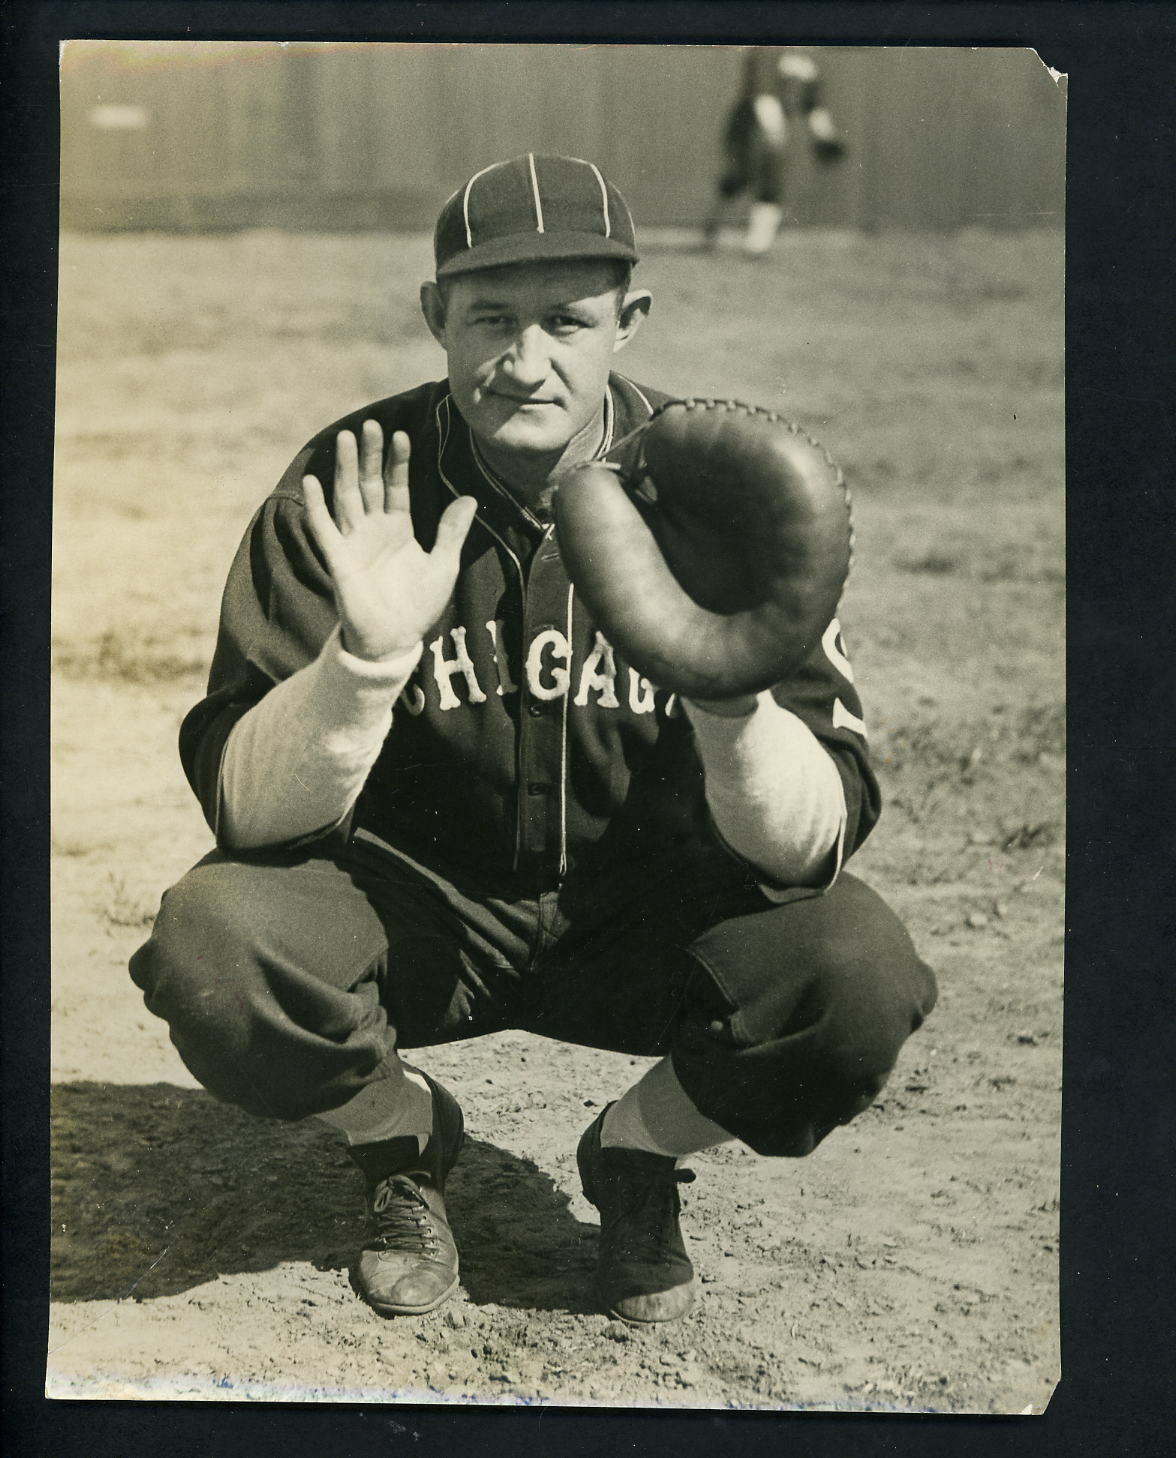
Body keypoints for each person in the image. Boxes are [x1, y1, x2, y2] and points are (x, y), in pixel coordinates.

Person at [130, 153, 935, 1327]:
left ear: (629, 322)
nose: (524, 360)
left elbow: (807, 854)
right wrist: (360, 663)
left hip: (646, 918)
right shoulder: (355, 483)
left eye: (567, 320)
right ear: (435, 319)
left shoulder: (719, 491)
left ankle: (638, 1153)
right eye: (490, 318)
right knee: (216, 948)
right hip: (422, 918)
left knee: (854, 977)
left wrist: (729, 696)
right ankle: (401, 1140)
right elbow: (248, 818)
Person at [703, 46, 848, 257]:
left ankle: (758, 242)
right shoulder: (768, 50)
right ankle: (714, 222)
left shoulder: (810, 59)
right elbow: (762, 95)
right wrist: (774, 131)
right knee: (741, 175)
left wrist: (824, 134)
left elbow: (813, 105)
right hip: (749, 123)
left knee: (773, 175)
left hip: (777, 125)